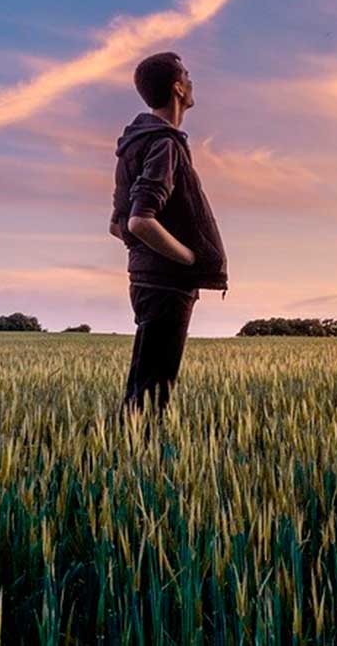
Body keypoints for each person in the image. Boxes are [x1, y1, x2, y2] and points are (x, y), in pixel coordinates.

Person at [108, 51, 228, 415]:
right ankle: (139, 464)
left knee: (143, 386)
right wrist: (189, 258)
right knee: (154, 393)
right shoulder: (165, 143)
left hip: (144, 279)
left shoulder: (134, 144)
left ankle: (126, 456)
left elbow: (117, 224)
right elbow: (138, 221)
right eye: (188, 76)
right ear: (178, 88)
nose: (192, 82)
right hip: (166, 283)